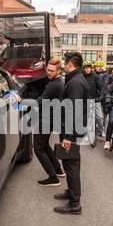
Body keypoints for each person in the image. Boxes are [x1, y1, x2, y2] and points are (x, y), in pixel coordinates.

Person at [54, 52, 90, 215]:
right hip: (73, 129)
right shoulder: (77, 79)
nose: (63, 65)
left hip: (72, 130)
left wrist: (68, 136)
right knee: (69, 164)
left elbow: (73, 110)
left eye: (64, 63)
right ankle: (71, 191)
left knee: (72, 165)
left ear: (69, 64)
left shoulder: (75, 82)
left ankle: (75, 203)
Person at [35, 57, 66, 186]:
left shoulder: (54, 85)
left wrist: (21, 102)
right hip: (51, 118)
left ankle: (53, 177)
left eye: (52, 71)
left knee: (38, 148)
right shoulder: (58, 82)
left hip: (46, 120)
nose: (49, 72)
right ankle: (58, 170)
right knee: (45, 145)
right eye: (48, 70)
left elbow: (40, 101)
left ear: (58, 71)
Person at [83, 60, 105, 138]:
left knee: (100, 117)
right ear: (84, 69)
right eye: (86, 68)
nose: (87, 69)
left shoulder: (95, 76)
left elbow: (101, 86)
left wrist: (101, 95)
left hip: (96, 99)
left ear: (91, 68)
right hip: (85, 100)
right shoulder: (82, 77)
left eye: (89, 67)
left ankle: (101, 130)